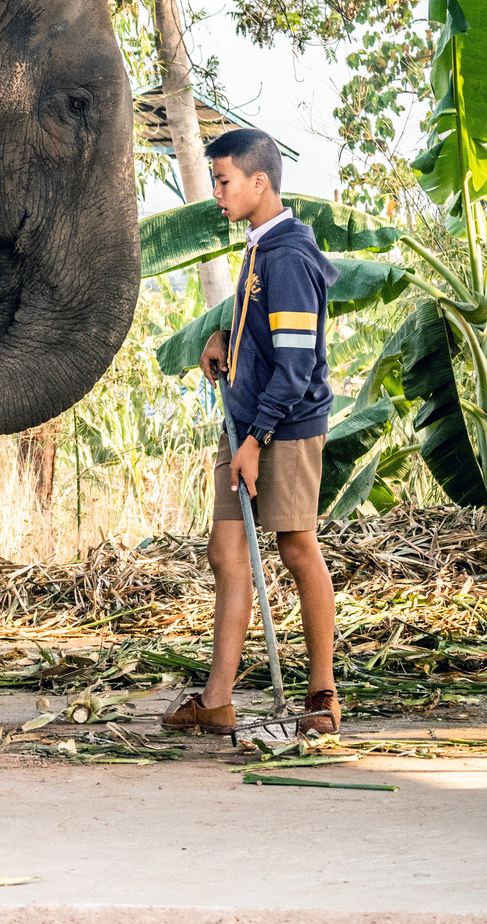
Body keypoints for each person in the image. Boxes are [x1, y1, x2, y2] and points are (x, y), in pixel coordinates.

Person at [161, 127, 342, 739]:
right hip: (248, 426)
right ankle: (217, 702)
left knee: (296, 548)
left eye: (223, 180)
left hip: (280, 431)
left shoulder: (288, 257)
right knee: (225, 553)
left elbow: (294, 366)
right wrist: (225, 340)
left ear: (259, 182)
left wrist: (255, 441)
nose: (216, 192)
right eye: (214, 180)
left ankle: (322, 696)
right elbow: (269, 337)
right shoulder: (261, 247)